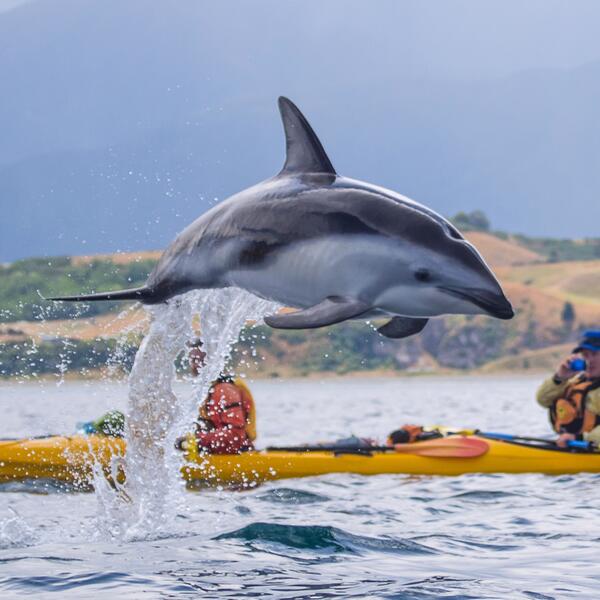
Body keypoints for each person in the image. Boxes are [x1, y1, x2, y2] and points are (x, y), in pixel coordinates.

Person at [187, 339, 257, 454]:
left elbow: (236, 436)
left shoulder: (225, 391)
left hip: (237, 456)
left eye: (200, 360)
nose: (195, 365)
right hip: (217, 452)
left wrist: (197, 441)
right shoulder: (209, 390)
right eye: (193, 360)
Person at [536, 330, 600, 447]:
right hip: (574, 447)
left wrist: (580, 438)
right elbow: (543, 400)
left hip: (590, 448)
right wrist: (559, 378)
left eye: (595, 354)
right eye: (585, 355)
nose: (589, 360)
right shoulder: (575, 382)